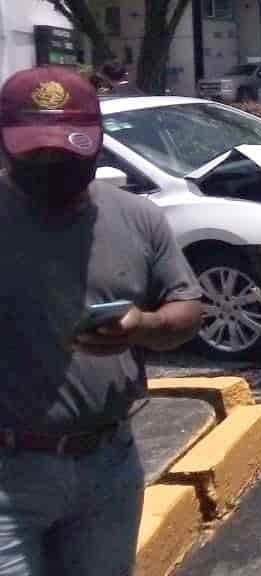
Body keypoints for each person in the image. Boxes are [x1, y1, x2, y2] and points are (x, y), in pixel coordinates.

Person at [0, 66, 204, 575]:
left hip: (108, 467)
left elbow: (187, 309)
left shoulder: (137, 217)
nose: (51, 162)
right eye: (36, 149)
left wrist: (142, 326)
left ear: (96, 141)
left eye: (66, 148)